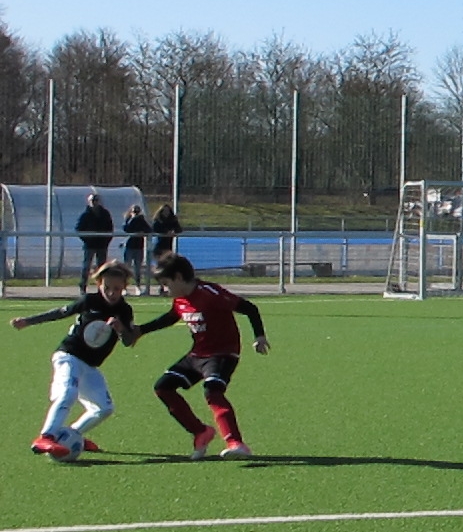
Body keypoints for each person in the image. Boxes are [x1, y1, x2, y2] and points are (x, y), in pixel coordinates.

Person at [130, 252, 270, 460]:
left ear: (178, 277)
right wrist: (141, 330)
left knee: (212, 391)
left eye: (166, 284)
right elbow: (170, 318)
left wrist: (259, 336)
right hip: (197, 354)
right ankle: (200, 432)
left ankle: (236, 443)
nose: (164, 289)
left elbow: (249, 308)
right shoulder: (180, 299)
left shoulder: (210, 293)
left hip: (223, 353)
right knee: (163, 387)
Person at [12, 259, 135, 460]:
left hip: (90, 366)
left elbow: (129, 341)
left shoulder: (125, 310)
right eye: (107, 288)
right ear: (98, 284)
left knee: (104, 409)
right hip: (68, 356)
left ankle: (72, 434)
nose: (112, 293)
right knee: (68, 393)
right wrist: (28, 321)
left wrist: (121, 329)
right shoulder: (89, 301)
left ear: (124, 287)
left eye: (117, 289)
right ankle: (46, 436)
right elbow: (60, 312)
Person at [74, 192, 114, 293]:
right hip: (90, 245)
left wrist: (106, 240)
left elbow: (110, 228)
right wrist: (87, 239)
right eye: (92, 201)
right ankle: (83, 286)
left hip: (102, 244)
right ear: (89, 202)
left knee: (102, 267)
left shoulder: (105, 214)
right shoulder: (85, 215)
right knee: (86, 266)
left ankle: (101, 287)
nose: (94, 203)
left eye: (96, 200)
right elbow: (78, 229)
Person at [121, 204, 153, 294]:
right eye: (134, 211)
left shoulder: (141, 220)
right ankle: (124, 287)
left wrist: (142, 231)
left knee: (137, 268)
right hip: (129, 246)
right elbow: (126, 228)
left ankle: (138, 286)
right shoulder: (128, 220)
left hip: (139, 247)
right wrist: (132, 218)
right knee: (126, 268)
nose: (136, 213)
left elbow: (149, 229)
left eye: (137, 211)